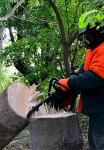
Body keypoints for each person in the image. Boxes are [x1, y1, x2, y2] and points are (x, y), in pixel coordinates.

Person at [58, 9, 104, 150]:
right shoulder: (94, 49)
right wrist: (72, 81)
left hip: (102, 111)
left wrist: (70, 83)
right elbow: (84, 71)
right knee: (94, 144)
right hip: (97, 111)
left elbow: (95, 78)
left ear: (98, 29)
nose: (87, 37)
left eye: (88, 34)